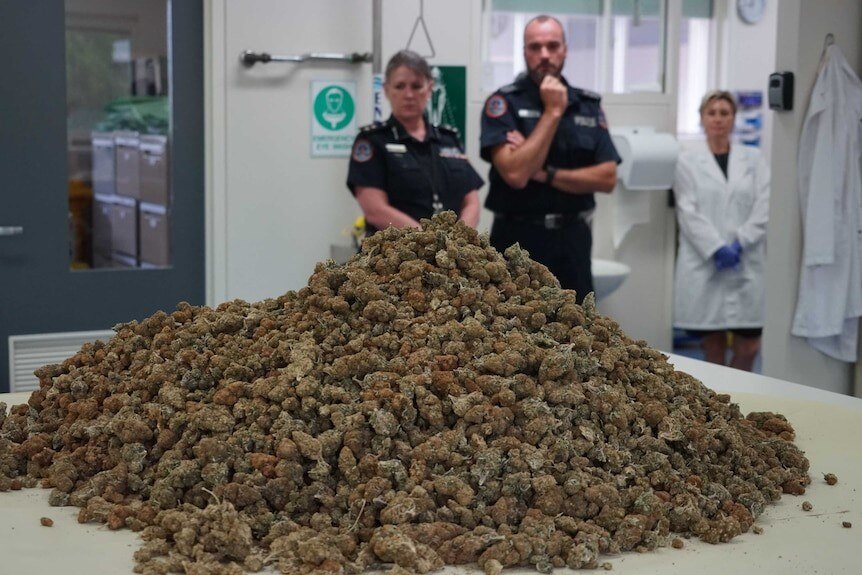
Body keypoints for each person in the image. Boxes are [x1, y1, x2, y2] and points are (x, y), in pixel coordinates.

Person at [480, 15, 620, 304]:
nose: (544, 55)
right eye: (535, 47)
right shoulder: (504, 104)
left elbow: (607, 178)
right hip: (517, 239)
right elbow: (516, 175)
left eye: (552, 46)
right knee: (512, 326)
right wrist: (553, 112)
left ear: (565, 49)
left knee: (578, 322)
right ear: (524, 52)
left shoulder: (587, 105)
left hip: (573, 238)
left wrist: (543, 172)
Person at [673, 90, 770, 371]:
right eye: (712, 113)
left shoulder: (753, 159)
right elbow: (687, 211)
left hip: (745, 261)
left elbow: (765, 204)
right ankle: (716, 399)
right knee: (712, 348)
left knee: (749, 347)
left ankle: (739, 394)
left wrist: (741, 242)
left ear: (733, 118)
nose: (718, 119)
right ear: (702, 119)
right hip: (706, 264)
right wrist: (716, 248)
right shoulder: (687, 161)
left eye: (724, 113)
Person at [347, 50, 483, 234]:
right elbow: (375, 211)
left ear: (429, 88)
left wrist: (458, 239)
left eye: (416, 86)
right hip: (395, 249)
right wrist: (426, 240)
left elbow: (471, 202)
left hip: (451, 249)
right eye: (400, 86)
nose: (409, 94)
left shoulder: (448, 139)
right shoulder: (372, 141)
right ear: (386, 90)